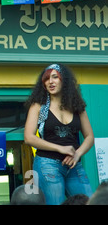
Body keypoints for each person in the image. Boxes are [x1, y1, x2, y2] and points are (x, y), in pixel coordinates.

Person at [24, 63, 94, 205]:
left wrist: (78, 153)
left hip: (74, 166)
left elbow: (89, 137)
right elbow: (29, 137)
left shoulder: (77, 106)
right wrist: (60, 148)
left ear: (65, 80)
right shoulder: (39, 106)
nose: (50, 81)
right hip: (47, 164)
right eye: (46, 78)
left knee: (90, 202)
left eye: (55, 77)